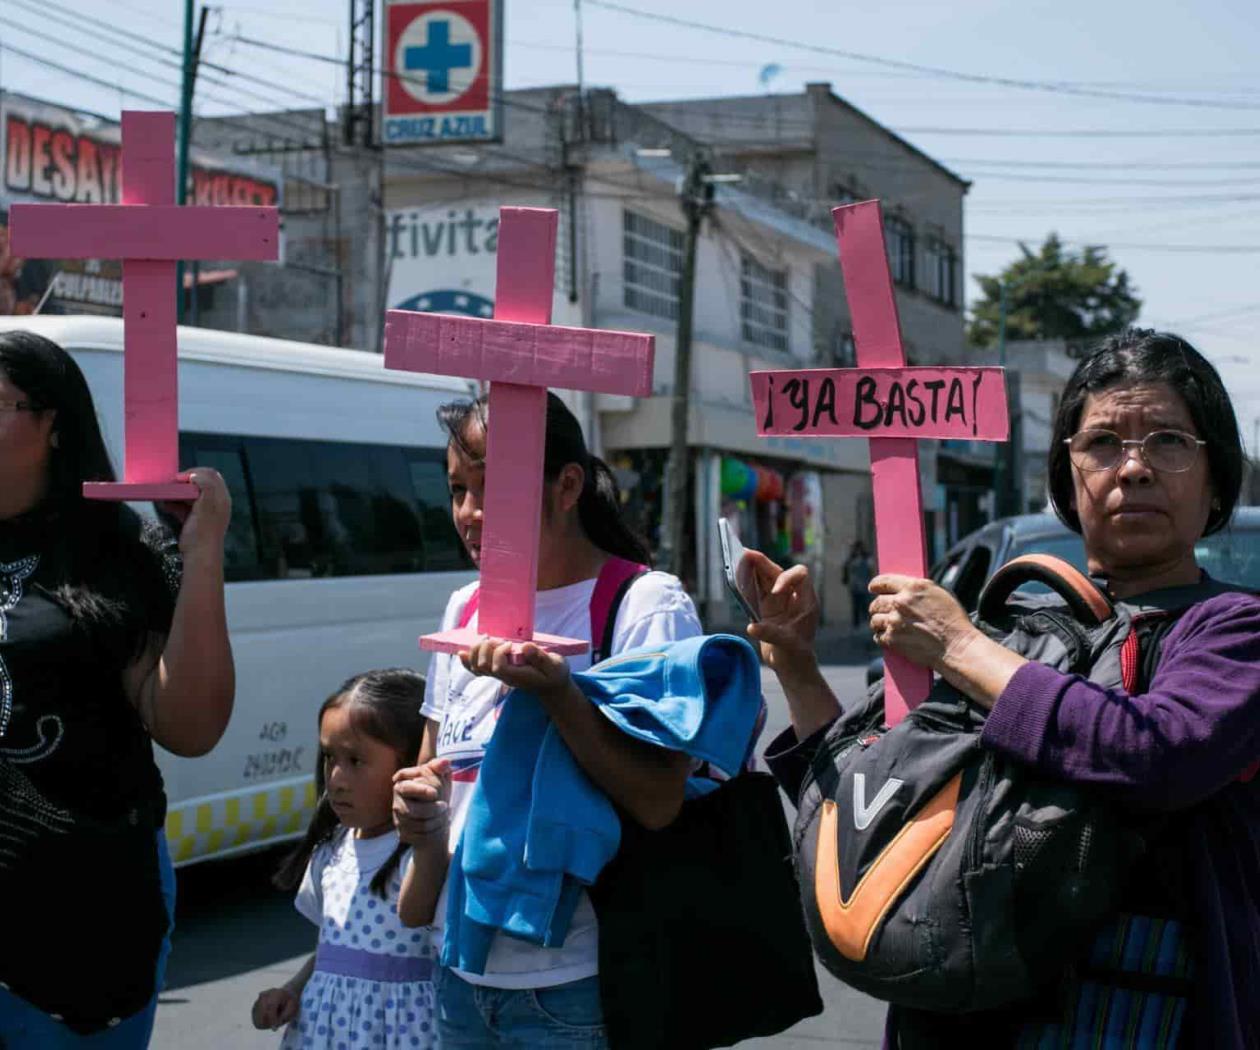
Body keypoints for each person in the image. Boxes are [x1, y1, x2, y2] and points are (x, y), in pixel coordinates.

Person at [748, 329, 1260, 1048]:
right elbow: (862, 806)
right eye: (1104, 444)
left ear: (1214, 480)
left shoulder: (1231, 631)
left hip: (1143, 1017)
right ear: (1067, 474)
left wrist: (958, 647)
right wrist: (796, 665)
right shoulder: (1011, 626)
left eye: (1170, 441)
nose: (1135, 469)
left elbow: (1158, 755)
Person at [391, 392, 704, 1048]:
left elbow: (659, 799)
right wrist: (417, 809)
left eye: (492, 490)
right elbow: (435, 777)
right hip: (459, 972)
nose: (470, 516)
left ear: (567, 486)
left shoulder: (643, 605)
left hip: (577, 982)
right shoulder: (462, 608)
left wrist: (561, 695)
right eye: (457, 491)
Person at [0, 330, 235, 1046]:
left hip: (79, 915)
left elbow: (188, 727)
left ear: (51, 422)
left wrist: (201, 559)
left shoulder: (115, 549)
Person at [253, 669, 438, 1049]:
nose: (335, 778)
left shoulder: (424, 856)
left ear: (410, 763)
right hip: (323, 1033)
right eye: (329, 757)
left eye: (355, 760)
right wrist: (291, 990)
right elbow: (332, 949)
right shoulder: (331, 851)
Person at [842, 538, 874, 629]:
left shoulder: (866, 558)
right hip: (855, 586)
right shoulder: (852, 558)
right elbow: (845, 569)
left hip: (864, 585)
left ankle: (865, 621)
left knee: (864, 603)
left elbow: (870, 570)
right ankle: (857, 623)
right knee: (856, 604)